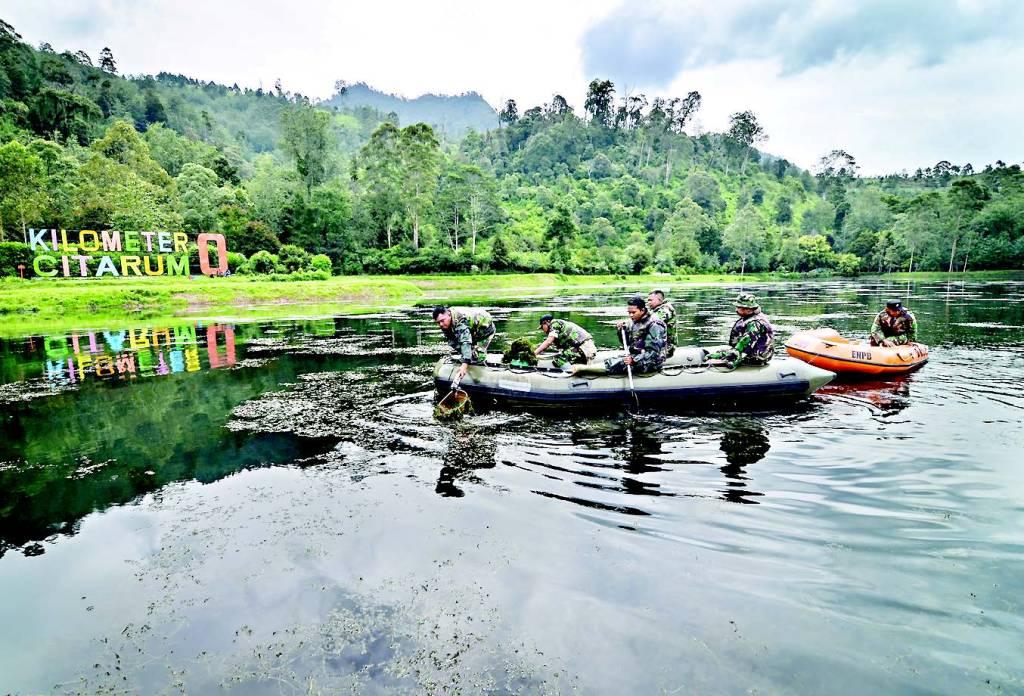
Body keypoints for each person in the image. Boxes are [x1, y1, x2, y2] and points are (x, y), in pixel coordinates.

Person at [706, 292, 775, 369]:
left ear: (748, 309)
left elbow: (745, 342)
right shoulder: (752, 317)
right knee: (720, 353)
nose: (736, 310)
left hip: (756, 357)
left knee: (722, 355)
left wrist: (732, 356)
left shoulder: (754, 323)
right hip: (753, 350)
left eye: (739, 308)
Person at [433, 306, 495, 388]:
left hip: (485, 329)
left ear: (448, 314)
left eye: (442, 321)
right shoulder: (446, 323)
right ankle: (470, 356)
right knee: (454, 343)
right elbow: (452, 340)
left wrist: (464, 365)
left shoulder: (460, 321)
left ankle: (480, 374)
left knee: (478, 356)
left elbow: (465, 341)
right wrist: (464, 354)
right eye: (438, 322)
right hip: (472, 327)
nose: (441, 324)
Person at [604, 296, 668, 375]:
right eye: (629, 313)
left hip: (651, 362)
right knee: (612, 360)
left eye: (633, 312)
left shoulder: (655, 325)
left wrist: (634, 360)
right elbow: (627, 343)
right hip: (637, 356)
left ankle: (586, 369)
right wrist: (621, 331)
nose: (631, 315)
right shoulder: (634, 321)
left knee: (615, 365)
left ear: (642, 310)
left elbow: (654, 353)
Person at [647, 289, 677, 356]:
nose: (648, 302)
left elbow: (655, 319)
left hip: (667, 348)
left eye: (651, 300)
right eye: (648, 300)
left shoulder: (667, 309)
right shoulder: (655, 310)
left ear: (660, 300)